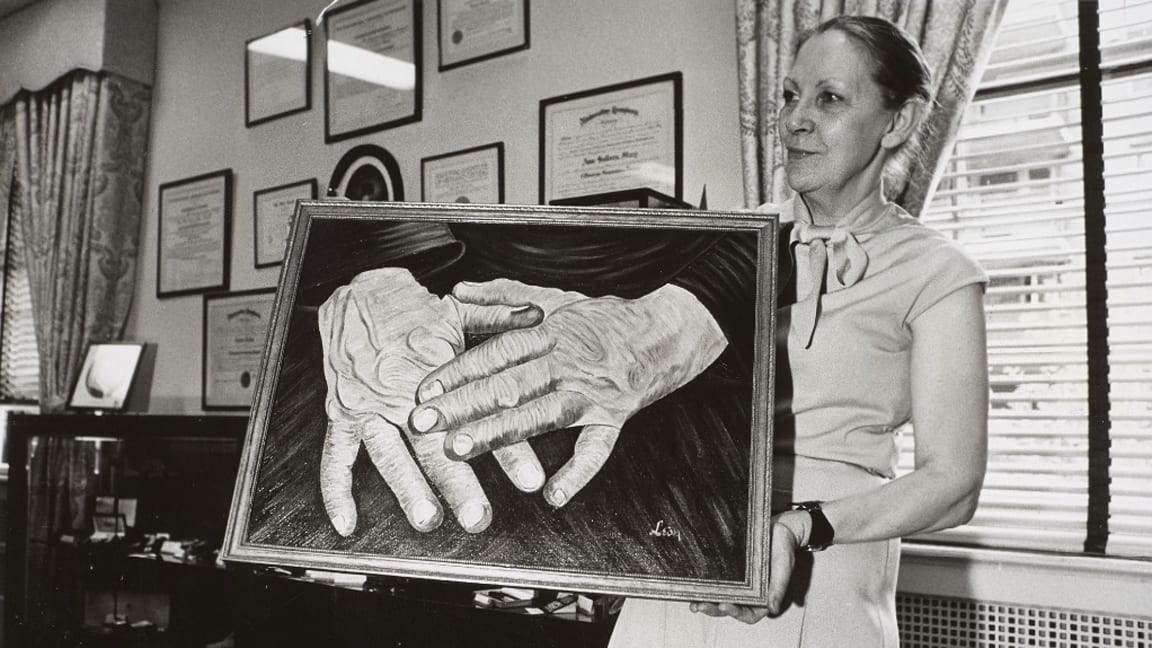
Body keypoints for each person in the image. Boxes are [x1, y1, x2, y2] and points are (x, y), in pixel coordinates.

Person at [405, 14, 989, 647]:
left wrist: (799, 527)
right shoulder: (721, 244)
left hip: (823, 565)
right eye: (790, 95)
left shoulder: (940, 272)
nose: (795, 119)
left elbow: (951, 484)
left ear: (897, 120)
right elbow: (622, 362)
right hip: (681, 546)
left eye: (830, 99)